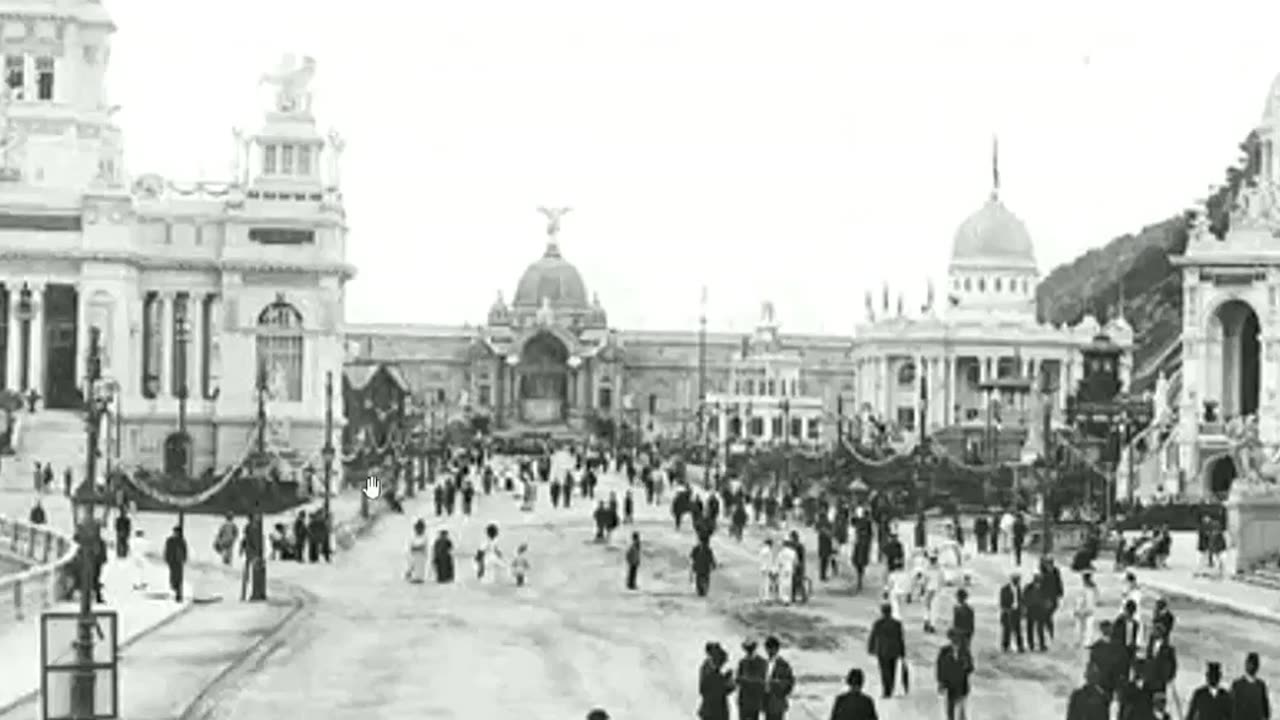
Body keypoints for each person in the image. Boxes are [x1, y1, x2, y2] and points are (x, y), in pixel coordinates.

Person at [867, 603, 905, 699]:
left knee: (884, 671)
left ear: (882, 612)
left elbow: (873, 636)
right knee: (893, 670)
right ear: (891, 611)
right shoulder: (897, 624)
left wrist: (871, 648)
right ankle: (891, 688)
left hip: (882, 651)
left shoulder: (878, 623)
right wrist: (902, 652)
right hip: (894, 651)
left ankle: (886, 691)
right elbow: (900, 638)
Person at [935, 627, 973, 720]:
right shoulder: (944, 651)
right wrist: (940, 682)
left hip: (961, 685)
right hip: (949, 685)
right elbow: (940, 667)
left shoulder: (965, 652)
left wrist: (966, 665)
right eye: (953, 639)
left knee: (960, 710)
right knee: (951, 709)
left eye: (958, 639)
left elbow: (971, 668)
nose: (956, 642)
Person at [697, 642, 734, 720]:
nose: (722, 664)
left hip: (713, 711)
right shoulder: (708, 670)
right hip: (714, 711)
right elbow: (725, 689)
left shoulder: (708, 668)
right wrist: (726, 680)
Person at [1230, 651, 1271, 720]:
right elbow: (1230, 707)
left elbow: (1266, 711)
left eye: (1255, 664)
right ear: (1246, 664)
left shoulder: (1261, 685)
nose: (1252, 666)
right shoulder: (1237, 684)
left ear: (1258, 666)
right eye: (1250, 663)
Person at [762, 635, 795, 720]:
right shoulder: (764, 664)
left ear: (777, 649)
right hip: (767, 702)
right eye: (768, 648)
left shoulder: (783, 665)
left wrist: (775, 684)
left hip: (777, 702)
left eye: (771, 648)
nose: (769, 651)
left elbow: (789, 683)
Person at [736, 639, 767, 720]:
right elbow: (738, 679)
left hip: (755, 700)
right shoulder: (742, 662)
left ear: (754, 648)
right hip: (743, 700)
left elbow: (763, 681)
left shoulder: (762, 662)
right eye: (747, 649)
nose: (749, 650)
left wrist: (746, 680)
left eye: (751, 648)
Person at [998, 571, 1025, 653]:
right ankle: (1005, 646)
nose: (1017, 581)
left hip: (1016, 612)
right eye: (1016, 580)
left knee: (1018, 629)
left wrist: (1021, 610)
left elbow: (1021, 600)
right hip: (1008, 612)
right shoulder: (1005, 589)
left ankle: (1020, 646)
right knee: (1007, 630)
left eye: (1018, 580)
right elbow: (1002, 602)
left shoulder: (1019, 589)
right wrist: (1007, 609)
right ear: (1012, 580)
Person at [1073, 572, 1100, 648]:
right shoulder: (1094, 588)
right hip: (1089, 609)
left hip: (1083, 609)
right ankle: (1086, 642)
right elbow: (1096, 599)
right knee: (1088, 626)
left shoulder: (1082, 588)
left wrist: (1077, 609)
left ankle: (1079, 641)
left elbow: (1079, 600)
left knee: (1080, 626)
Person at [163, 525, 187, 603]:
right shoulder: (170, 540)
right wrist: (167, 559)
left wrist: (184, 559)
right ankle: (174, 588)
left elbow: (184, 551)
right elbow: (167, 550)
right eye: (175, 532)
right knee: (173, 577)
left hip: (179, 561)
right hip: (172, 561)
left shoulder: (182, 541)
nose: (176, 533)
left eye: (177, 532)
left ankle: (179, 595)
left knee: (179, 578)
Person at [405, 519, 428, 584]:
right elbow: (411, 546)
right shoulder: (413, 537)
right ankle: (414, 576)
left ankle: (419, 578)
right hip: (415, 554)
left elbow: (423, 546)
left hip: (421, 555)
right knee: (413, 564)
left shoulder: (424, 537)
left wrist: (417, 548)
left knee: (420, 565)